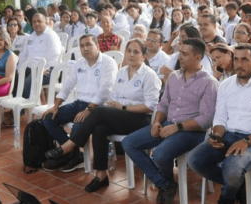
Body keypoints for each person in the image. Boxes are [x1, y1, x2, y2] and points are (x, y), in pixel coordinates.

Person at [45, 38, 160, 193]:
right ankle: (101, 175)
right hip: (121, 115)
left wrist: (123, 106)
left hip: (141, 119)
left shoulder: (149, 75)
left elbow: (151, 106)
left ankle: (70, 145)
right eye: (129, 50)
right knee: (99, 128)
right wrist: (116, 105)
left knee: (98, 111)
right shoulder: (122, 72)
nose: (131, 54)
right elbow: (113, 96)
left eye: (136, 52)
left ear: (143, 56)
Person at [124, 38, 218, 203]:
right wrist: (157, 122)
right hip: (167, 125)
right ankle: (165, 184)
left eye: (184, 54)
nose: (179, 57)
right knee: (128, 143)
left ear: (197, 57)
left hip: (192, 132)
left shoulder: (209, 83)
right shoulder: (174, 77)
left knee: (160, 153)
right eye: (180, 53)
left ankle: (164, 183)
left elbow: (206, 119)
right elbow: (163, 104)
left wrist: (178, 127)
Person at [187, 44, 251, 204]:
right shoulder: (226, 85)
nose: (239, 64)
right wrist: (217, 135)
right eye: (236, 59)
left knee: (232, 168)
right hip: (228, 136)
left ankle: (227, 197)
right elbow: (220, 118)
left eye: (245, 60)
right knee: (195, 160)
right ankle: (239, 186)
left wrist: (246, 141)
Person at [41, 35, 117, 172]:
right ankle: (74, 155)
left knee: (78, 126)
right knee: (48, 118)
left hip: (98, 107)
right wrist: (55, 106)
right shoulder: (79, 63)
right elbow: (67, 86)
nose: (85, 48)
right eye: (82, 46)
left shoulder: (108, 63)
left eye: (88, 44)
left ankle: (68, 155)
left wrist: (88, 109)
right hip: (79, 103)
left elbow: (105, 91)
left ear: (98, 46)